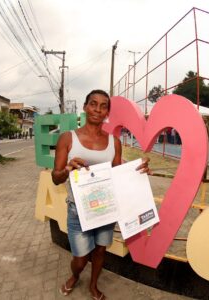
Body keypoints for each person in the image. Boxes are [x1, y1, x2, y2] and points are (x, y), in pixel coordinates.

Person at [52, 89, 150, 300]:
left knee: (100, 252)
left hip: (106, 208)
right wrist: (69, 168)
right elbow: (56, 177)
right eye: (93, 104)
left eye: (103, 105)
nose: (97, 109)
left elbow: (118, 175)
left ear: (107, 112)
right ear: (85, 107)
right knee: (80, 258)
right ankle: (75, 275)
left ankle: (94, 285)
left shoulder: (114, 142)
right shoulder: (68, 138)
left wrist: (139, 172)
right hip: (77, 210)